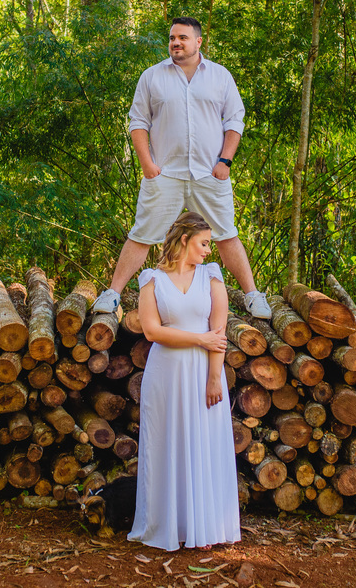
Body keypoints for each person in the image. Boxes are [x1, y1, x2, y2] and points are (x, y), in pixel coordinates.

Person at [92, 17, 271, 319]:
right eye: (173, 38)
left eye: (183, 38)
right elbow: (138, 121)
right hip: (165, 175)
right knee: (142, 234)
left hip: (209, 174)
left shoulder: (220, 76)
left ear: (198, 42)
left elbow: (234, 121)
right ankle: (112, 295)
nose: (176, 42)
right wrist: (147, 164)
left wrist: (225, 161)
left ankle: (253, 296)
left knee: (226, 234)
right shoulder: (152, 77)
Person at [129, 212, 241, 551]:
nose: (209, 250)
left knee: (203, 444)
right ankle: (168, 526)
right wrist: (198, 340)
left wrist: (212, 378)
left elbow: (218, 332)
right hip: (165, 376)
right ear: (183, 240)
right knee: (166, 446)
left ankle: (203, 527)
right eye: (203, 243)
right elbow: (152, 330)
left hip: (204, 373)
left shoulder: (212, 276)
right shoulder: (152, 279)